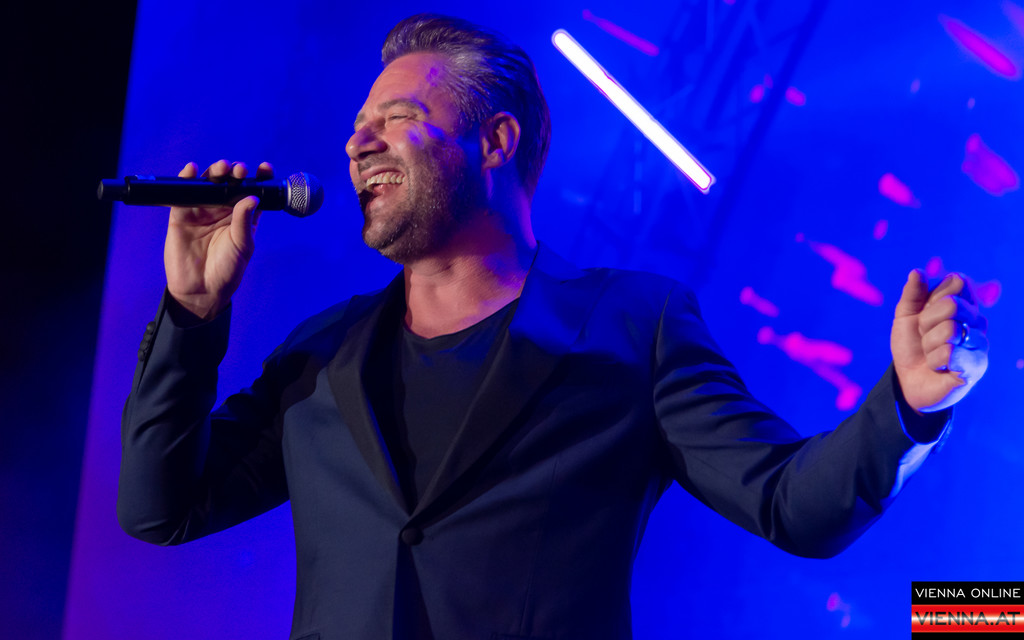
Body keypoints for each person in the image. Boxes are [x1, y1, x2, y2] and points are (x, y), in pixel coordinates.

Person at [118, 13, 989, 640]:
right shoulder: (320, 353)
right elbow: (160, 509)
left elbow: (793, 505)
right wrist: (192, 314)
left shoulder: (635, 327)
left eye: (397, 119)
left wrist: (908, 409)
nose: (357, 145)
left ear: (496, 141)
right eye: (357, 129)